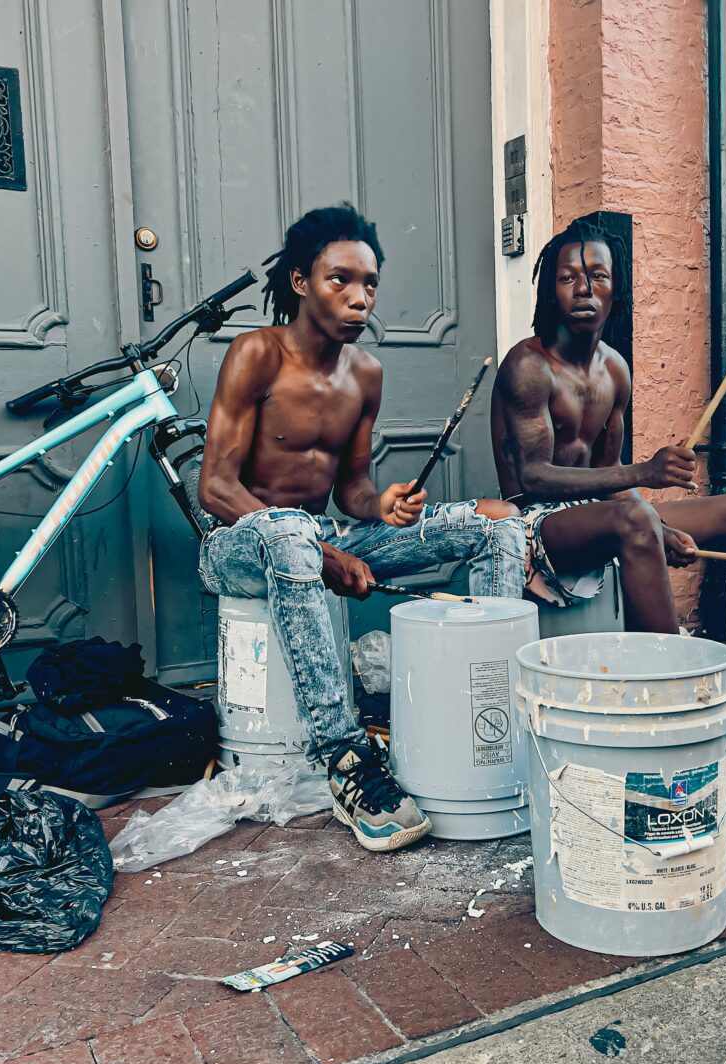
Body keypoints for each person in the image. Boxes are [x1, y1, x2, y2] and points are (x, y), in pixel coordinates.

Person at [198, 203, 526, 853]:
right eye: (340, 280)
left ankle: (491, 725)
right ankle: (347, 760)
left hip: (321, 537)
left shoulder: (366, 374)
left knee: (494, 527)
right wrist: (322, 553)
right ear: (301, 282)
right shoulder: (255, 354)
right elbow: (216, 486)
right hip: (239, 543)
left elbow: (350, 488)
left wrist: (383, 506)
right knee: (290, 536)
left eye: (370, 283)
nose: (360, 298)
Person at [490, 218, 726, 639]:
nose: (584, 289)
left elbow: (610, 476)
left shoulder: (614, 369)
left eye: (598, 276)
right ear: (550, 291)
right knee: (636, 518)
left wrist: (663, 529)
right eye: (568, 278)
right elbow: (533, 479)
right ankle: (670, 668)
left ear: (616, 289)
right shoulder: (527, 365)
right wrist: (645, 473)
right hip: (533, 526)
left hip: (607, 513)